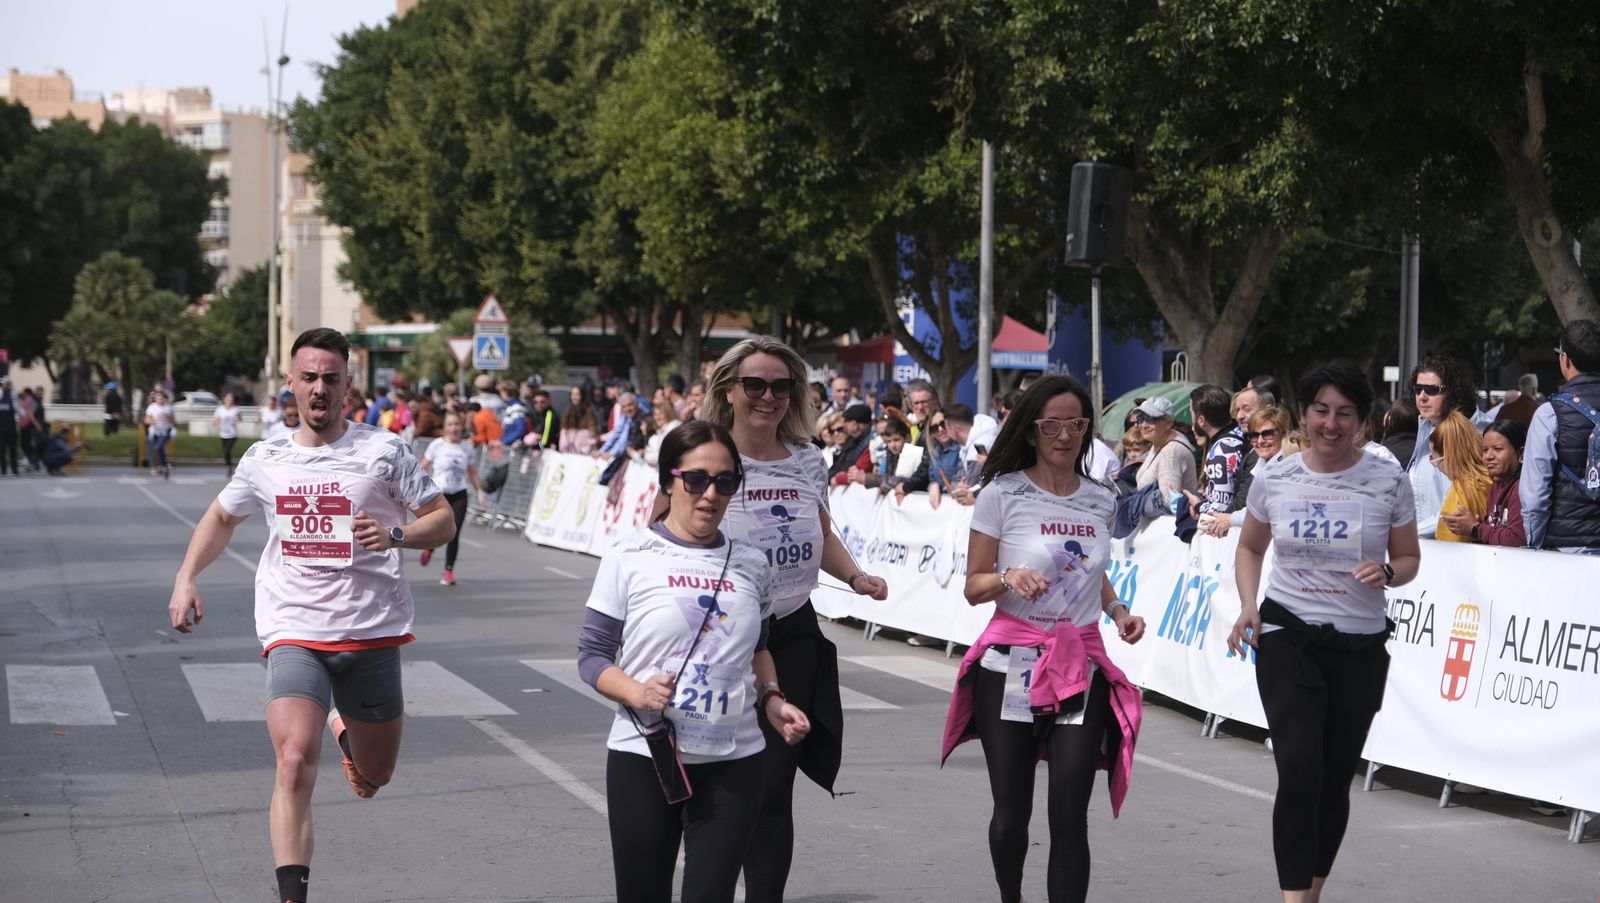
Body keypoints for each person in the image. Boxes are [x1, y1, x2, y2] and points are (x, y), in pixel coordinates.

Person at [166, 327, 455, 903]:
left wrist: (395, 533)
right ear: (290, 385)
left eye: (330, 378)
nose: (319, 389)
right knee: (293, 760)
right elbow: (222, 518)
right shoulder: (266, 458)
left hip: (371, 631)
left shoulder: (385, 452)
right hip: (293, 627)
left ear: (348, 385)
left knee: (376, 778)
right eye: (309, 378)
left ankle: (348, 734)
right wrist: (186, 576)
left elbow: (442, 519)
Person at [690, 335, 888, 903]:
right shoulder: (702, 452)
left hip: (792, 630)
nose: (768, 396)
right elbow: (667, 532)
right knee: (719, 780)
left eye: (781, 386)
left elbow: (821, 533)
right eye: (755, 384)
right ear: (729, 390)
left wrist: (856, 578)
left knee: (773, 786)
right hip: (717, 637)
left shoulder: (806, 458)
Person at [579, 421, 810, 903]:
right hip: (646, 753)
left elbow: (760, 646)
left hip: (735, 760)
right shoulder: (629, 555)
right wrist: (637, 693)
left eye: (725, 481)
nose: (711, 494)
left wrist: (771, 698)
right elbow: (593, 655)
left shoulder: (751, 562)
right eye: (697, 479)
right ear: (670, 480)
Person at [940, 375, 1146, 903]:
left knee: (1070, 817)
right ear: (1031, 430)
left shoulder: (1101, 499)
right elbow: (973, 586)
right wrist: (1008, 578)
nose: (1064, 435)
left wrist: (1118, 610)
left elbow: (1089, 570)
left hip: (1079, 666)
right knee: (1012, 818)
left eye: (1075, 424)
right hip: (1011, 664)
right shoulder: (1003, 494)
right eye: (1051, 424)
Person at [1228, 358, 1421, 903]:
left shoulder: (1387, 479)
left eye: (1344, 414)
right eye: (1320, 411)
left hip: (1359, 645)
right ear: (1305, 414)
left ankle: (1309, 894)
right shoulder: (1276, 475)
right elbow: (1248, 546)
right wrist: (1249, 605)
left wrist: (1386, 572)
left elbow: (1408, 558)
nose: (1330, 424)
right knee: (1299, 771)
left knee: (1334, 779)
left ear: (1362, 420)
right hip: (1288, 634)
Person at [1522, 318, 1600, 551]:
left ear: (1565, 359)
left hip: (1569, 549)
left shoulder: (1550, 414)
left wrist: (1534, 544)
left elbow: (1535, 496)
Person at [1408, 355, 1477, 535]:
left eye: (1432, 390)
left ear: (1452, 393)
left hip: (1447, 549)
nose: (1422, 397)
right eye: (1418, 389)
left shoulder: (1462, 436)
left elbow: (1455, 510)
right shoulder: (1426, 428)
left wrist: (1410, 533)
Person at [418, 410, 488, 586]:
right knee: (438, 528)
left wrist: (480, 491)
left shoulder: (466, 447)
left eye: (457, 424)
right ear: (445, 427)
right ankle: (430, 547)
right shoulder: (437, 445)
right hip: (439, 493)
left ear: (462, 426)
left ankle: (448, 571)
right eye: (450, 424)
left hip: (459, 492)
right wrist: (414, 487)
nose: (454, 428)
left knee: (454, 532)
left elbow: (472, 471)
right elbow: (422, 467)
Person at [1206, 405, 1293, 537]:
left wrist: (1229, 519)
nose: (1260, 441)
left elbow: (1270, 510)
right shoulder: (1261, 465)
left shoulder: (1291, 466)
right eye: (1254, 435)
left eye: (1267, 434)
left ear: (1283, 433)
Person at [1442, 420, 1526, 547]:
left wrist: (1476, 528)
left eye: (1498, 449)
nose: (1488, 456)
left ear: (1520, 453)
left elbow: (1516, 540)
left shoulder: (1522, 488)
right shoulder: (1496, 485)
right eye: (1485, 450)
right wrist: (1470, 526)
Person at [1428, 411, 1491, 543]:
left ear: (1449, 456)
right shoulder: (1494, 480)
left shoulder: (1460, 492)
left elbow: (1448, 547)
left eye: (1434, 459)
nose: (1435, 465)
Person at [855, 407, 929, 502]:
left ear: (907, 437)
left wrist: (874, 481)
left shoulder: (913, 453)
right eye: (888, 441)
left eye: (896, 440)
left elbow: (901, 479)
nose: (892, 445)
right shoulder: (891, 454)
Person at [1132, 397, 1198, 502]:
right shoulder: (1158, 442)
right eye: (1140, 419)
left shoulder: (1172, 452)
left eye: (1150, 419)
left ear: (1168, 424)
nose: (1143, 425)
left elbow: (1169, 501)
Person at [826, 404, 874, 484]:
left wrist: (837, 478)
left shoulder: (869, 443)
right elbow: (838, 466)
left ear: (854, 424)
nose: (844, 425)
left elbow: (855, 470)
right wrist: (830, 477)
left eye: (846, 421)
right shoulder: (851, 442)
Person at [144, 389, 176, 479]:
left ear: (165, 399)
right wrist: (153, 420)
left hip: (165, 431)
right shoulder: (152, 407)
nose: (160, 400)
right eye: (158, 398)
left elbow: (174, 421)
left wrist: (168, 417)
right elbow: (146, 420)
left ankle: (162, 466)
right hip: (154, 431)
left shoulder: (168, 408)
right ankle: (163, 466)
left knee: (158, 447)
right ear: (155, 399)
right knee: (156, 449)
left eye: (161, 398)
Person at [560, 386, 599, 454]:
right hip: (569, 448)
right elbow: (563, 426)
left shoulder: (588, 410)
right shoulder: (568, 410)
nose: (574, 397)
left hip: (583, 447)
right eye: (572, 394)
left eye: (577, 394)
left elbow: (592, 428)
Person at [643, 402, 682, 467]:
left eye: (660, 414)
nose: (657, 417)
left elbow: (664, 455)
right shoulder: (662, 430)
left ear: (668, 413)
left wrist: (646, 456)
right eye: (655, 414)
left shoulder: (674, 426)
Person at [215, 392, 242, 476]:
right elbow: (216, 418)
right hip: (223, 433)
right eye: (228, 399)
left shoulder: (235, 409)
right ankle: (229, 466)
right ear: (224, 399)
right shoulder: (220, 409)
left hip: (232, 434)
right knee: (225, 452)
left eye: (231, 400)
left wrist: (237, 421)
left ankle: (229, 467)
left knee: (227, 450)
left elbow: (240, 418)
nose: (230, 401)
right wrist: (215, 421)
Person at [0, 379, 18, 476]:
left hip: (8, 430)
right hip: (6, 430)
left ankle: (9, 471)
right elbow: (20, 413)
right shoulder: (9, 399)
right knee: (7, 451)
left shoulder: (13, 398)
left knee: (9, 451)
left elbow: (19, 413)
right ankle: (8, 471)